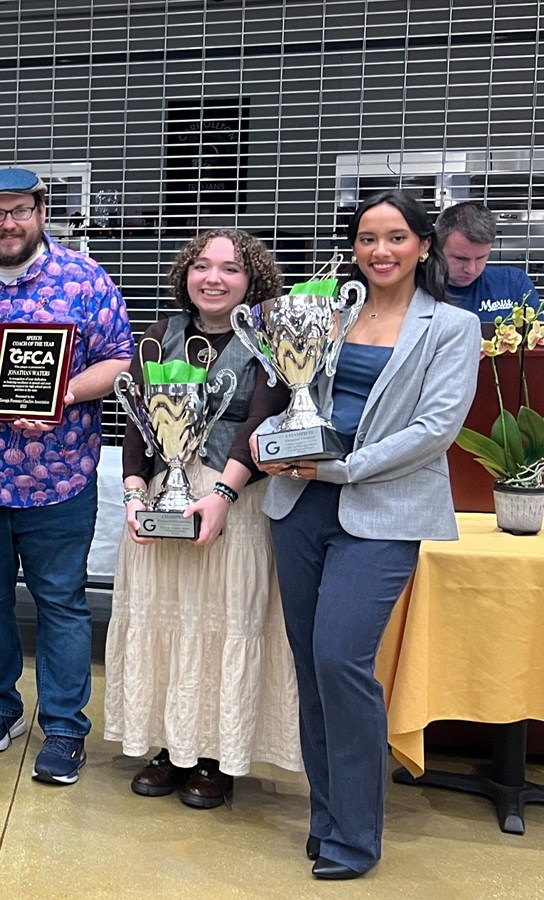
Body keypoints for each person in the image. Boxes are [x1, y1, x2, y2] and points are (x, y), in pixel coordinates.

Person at [253, 190, 478, 879]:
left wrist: (342, 469)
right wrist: (270, 446)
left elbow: (434, 429)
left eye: (396, 238)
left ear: (423, 245)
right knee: (310, 669)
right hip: (298, 506)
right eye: (367, 239)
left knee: (340, 661)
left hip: (379, 509)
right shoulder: (325, 311)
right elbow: (285, 391)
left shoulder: (451, 328)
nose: (380, 251)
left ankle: (356, 835)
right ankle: (327, 819)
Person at [0, 166, 134, 785]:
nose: (7, 223)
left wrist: (62, 395)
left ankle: (65, 728)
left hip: (59, 475)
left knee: (60, 602)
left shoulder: (84, 280)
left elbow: (121, 361)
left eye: (19, 210)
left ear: (42, 211)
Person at [104, 229, 302, 809]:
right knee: (165, 622)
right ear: (186, 275)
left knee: (221, 626)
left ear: (253, 281)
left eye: (231, 269)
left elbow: (261, 423)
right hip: (161, 500)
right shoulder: (157, 340)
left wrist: (222, 495)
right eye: (202, 266)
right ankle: (168, 746)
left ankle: (216, 757)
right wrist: (135, 495)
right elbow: (137, 426)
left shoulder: (268, 341)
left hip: (232, 502)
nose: (213, 278)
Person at [434, 200, 541, 319]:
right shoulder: (414, 289)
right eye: (460, 258)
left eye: (480, 257)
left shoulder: (513, 283)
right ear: (437, 248)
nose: (471, 269)